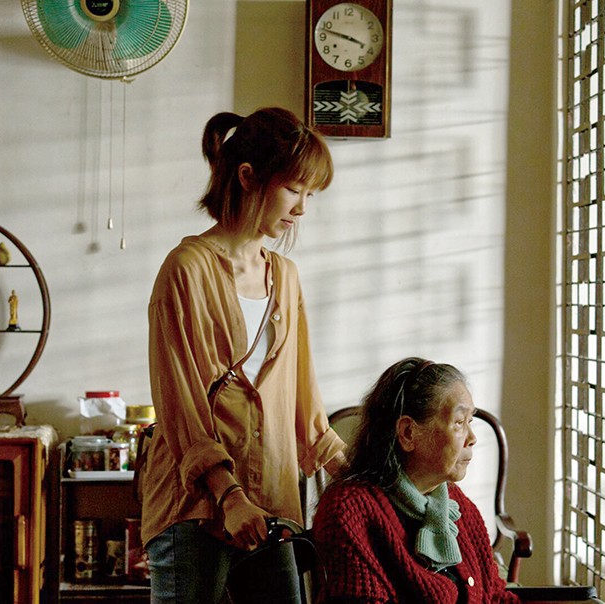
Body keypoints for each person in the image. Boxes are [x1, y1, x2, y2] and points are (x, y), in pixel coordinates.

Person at [141, 107, 347, 604]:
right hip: (194, 505)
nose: (302, 208)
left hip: (271, 502)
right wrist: (229, 495)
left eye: (311, 195)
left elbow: (302, 399)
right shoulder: (185, 269)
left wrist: (354, 473)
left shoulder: (286, 277)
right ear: (248, 176)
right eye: (294, 189)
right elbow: (181, 402)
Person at [312, 357, 521, 603]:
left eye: (470, 422)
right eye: (459, 423)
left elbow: (494, 595)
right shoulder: (348, 511)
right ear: (408, 432)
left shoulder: (457, 504)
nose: (472, 437)